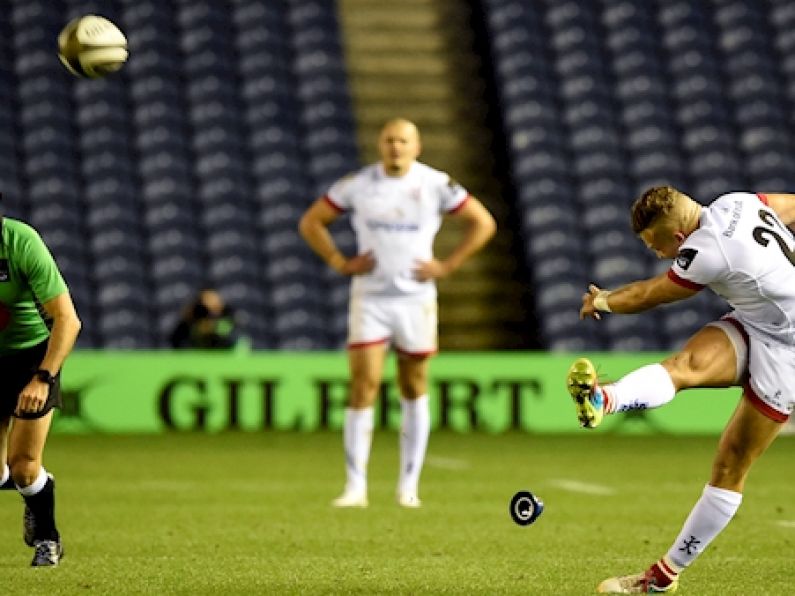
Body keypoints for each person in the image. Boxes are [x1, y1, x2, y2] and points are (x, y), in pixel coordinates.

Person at [566, 186, 795, 593]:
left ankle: (663, 575)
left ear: (677, 238)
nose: (657, 255)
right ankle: (605, 398)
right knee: (684, 366)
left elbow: (650, 294)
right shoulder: (738, 202)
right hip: (759, 321)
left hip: (789, 352)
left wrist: (601, 301)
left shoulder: (706, 250)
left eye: (656, 246)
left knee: (730, 467)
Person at [299, 118, 496, 508]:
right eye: (389, 139)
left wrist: (448, 265)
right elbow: (311, 221)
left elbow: (483, 222)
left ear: (416, 146)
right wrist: (339, 260)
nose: (395, 146)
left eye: (403, 140)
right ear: (380, 144)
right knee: (363, 385)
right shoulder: (358, 184)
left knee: (414, 384)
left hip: (415, 300)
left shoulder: (436, 183)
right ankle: (355, 487)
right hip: (370, 298)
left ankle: (409, 486)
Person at [0, 213, 82, 566]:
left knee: (23, 466)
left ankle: (47, 539)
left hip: (31, 360)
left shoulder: (21, 242)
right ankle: (35, 492)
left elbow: (68, 319)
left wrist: (43, 378)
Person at [169, 288, 239, 349]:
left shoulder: (227, 317)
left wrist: (213, 329)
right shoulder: (191, 320)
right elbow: (176, 341)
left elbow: (234, 341)